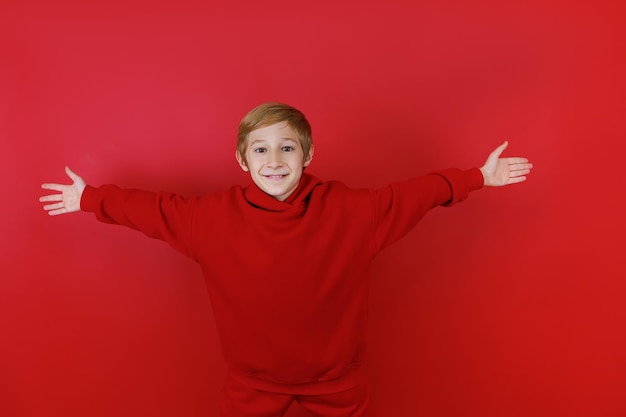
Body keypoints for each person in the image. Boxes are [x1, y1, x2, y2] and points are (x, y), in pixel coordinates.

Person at [39, 102, 533, 417]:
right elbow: (153, 209)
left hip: (337, 383)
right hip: (251, 385)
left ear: (308, 153)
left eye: (286, 147)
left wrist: (476, 178)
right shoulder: (209, 219)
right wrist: (90, 198)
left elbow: (414, 193)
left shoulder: (355, 212)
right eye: (260, 149)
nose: (274, 161)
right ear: (242, 160)